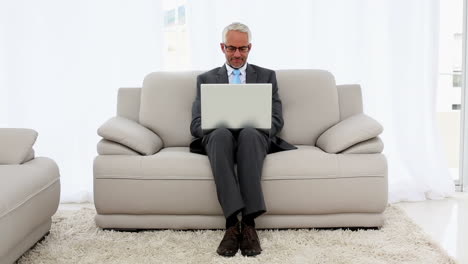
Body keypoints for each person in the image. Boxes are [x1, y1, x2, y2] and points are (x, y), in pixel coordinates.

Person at [189, 22, 296, 257]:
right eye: (231, 48)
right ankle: (231, 224)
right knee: (219, 135)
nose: (237, 54)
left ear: (250, 47)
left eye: (242, 49)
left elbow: (277, 120)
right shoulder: (205, 79)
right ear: (222, 47)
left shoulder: (267, 76)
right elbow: (196, 125)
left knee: (248, 133)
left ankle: (248, 224)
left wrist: (251, 122)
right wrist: (221, 122)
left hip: (253, 138)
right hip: (219, 139)